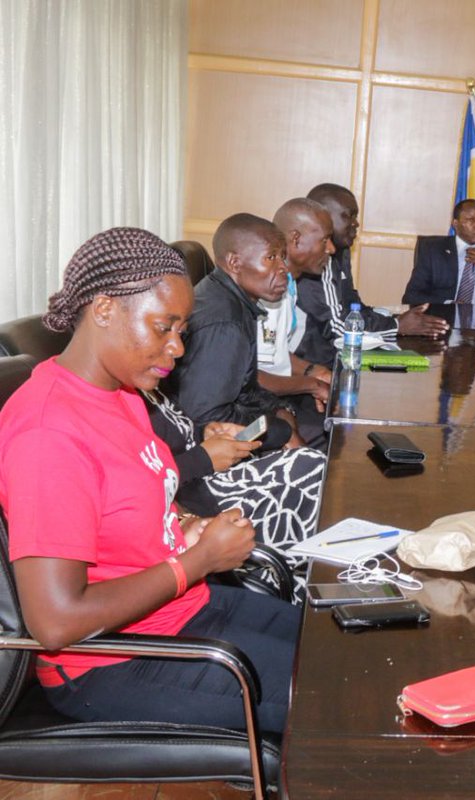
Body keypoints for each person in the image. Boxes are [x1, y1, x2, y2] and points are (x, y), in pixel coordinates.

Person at [0, 227, 298, 734]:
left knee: (338, 656)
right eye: (164, 327)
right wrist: (197, 561)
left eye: (181, 328)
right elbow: (56, 622)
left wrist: (185, 525)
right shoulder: (48, 431)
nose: (177, 347)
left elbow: (134, 499)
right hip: (108, 665)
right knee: (338, 705)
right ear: (104, 310)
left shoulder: (121, 394)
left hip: (180, 610)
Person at [141, 388, 325, 597]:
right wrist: (202, 458)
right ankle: (301, 594)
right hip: (186, 502)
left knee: (309, 465)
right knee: (307, 469)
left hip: (200, 477)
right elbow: (140, 484)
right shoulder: (115, 405)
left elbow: (175, 439)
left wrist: (203, 434)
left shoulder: (144, 387)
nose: (175, 352)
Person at [166, 213, 317, 448]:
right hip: (199, 447)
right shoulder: (226, 325)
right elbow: (206, 419)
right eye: (271, 258)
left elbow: (244, 388)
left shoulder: (230, 297)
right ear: (235, 263)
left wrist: (279, 409)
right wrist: (280, 431)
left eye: (282, 258)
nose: (283, 269)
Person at [297, 183, 448, 365]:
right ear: (322, 218)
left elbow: (353, 305)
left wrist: (393, 319)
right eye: (348, 215)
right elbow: (337, 327)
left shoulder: (340, 252)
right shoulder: (313, 261)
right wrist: (397, 326)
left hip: (335, 356)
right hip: (315, 363)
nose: (356, 223)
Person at [259, 198, 336, 409]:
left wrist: (313, 371)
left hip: (276, 395)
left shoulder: (289, 285)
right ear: (295, 239)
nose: (331, 248)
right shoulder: (268, 291)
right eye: (325, 240)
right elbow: (258, 374)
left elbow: (276, 354)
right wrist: (312, 385)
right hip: (260, 405)